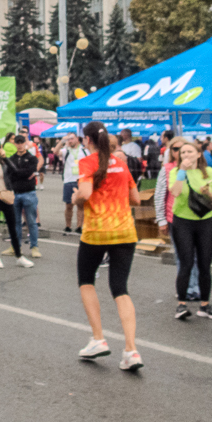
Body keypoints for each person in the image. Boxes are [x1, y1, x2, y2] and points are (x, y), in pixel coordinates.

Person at [72, 121, 143, 371]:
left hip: (97, 231)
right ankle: (131, 350)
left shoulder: (87, 163)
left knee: (86, 280)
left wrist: (75, 198)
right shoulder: (122, 164)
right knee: (120, 288)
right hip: (125, 230)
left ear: (87, 140)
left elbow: (85, 194)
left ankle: (98, 338)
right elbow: (135, 199)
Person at [169, 141, 212, 321]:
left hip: (205, 221)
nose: (185, 155)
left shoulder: (208, 172)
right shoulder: (175, 172)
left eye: (189, 151)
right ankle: (182, 305)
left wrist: (208, 193)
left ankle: (205, 305)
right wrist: (182, 172)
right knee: (185, 263)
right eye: (182, 152)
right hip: (183, 221)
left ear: (199, 154)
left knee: (205, 264)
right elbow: (175, 193)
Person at [154, 137, 200, 301]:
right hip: (176, 218)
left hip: (198, 218)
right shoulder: (167, 169)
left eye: (185, 149)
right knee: (183, 256)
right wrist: (161, 220)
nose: (181, 153)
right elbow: (160, 195)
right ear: (171, 152)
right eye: (176, 149)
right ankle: (186, 288)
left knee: (197, 255)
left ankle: (196, 287)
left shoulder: (200, 169)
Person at [0, 143, 31, 269]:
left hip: (7, 196)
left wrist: (5, 158)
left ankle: (19, 256)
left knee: (13, 227)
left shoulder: (4, 164)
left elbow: (15, 170)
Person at [8, 134, 42, 257]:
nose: (20, 144)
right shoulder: (11, 158)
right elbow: (10, 174)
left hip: (29, 193)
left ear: (26, 143)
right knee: (15, 222)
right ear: (15, 144)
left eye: (22, 142)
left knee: (31, 221)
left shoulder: (32, 158)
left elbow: (30, 171)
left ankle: (34, 247)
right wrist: (21, 173)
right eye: (18, 142)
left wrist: (17, 172)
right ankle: (15, 247)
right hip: (15, 193)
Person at [60, 133, 89, 234]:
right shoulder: (66, 150)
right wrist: (62, 141)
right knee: (69, 205)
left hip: (81, 180)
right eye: (69, 139)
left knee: (80, 205)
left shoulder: (84, 150)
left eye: (72, 138)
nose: (70, 140)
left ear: (77, 139)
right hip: (68, 180)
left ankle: (79, 226)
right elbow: (55, 152)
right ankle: (68, 225)